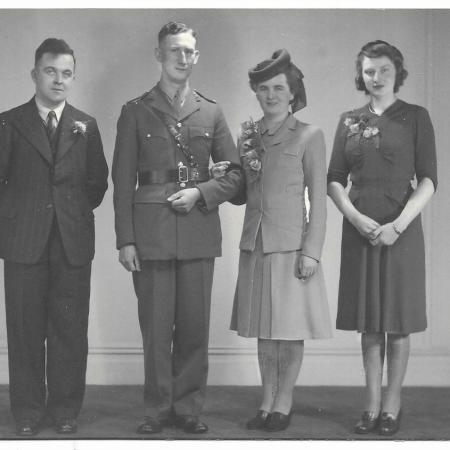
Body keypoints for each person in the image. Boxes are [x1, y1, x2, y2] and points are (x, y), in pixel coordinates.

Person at [112, 22, 242, 435]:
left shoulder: (211, 111)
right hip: (151, 233)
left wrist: (201, 192)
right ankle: (156, 409)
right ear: (159, 55)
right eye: (175, 51)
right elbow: (122, 181)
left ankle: (188, 409)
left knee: (194, 327)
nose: (182, 59)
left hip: (198, 229)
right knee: (155, 328)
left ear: (196, 57)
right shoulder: (135, 110)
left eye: (189, 52)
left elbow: (236, 176)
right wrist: (126, 239)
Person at [214, 49, 331, 432]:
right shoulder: (248, 136)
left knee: (289, 331)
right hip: (256, 245)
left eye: (278, 88)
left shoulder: (310, 135)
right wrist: (223, 177)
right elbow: (243, 194)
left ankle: (284, 402)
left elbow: (318, 199)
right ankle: (266, 401)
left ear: (292, 92)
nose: (271, 95)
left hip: (291, 247)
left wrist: (311, 251)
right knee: (264, 332)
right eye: (263, 88)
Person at [327, 40, 437, 436]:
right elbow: (334, 179)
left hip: (401, 229)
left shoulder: (416, 117)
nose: (376, 77)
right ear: (361, 75)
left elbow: (429, 179)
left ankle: (392, 404)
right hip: (361, 228)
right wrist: (355, 218)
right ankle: (371, 404)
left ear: (397, 73)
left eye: (384, 70)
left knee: (398, 320)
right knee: (370, 322)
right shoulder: (348, 120)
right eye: (369, 71)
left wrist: (399, 225)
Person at [0, 38, 108, 436]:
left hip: (71, 243)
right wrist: (19, 219)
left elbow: (97, 183)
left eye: (66, 73)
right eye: (50, 71)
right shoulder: (9, 123)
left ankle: (65, 410)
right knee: (24, 331)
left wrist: (69, 214)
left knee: (69, 330)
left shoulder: (86, 125)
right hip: (23, 243)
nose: (58, 80)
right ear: (34, 74)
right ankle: (28, 413)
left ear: (73, 77)